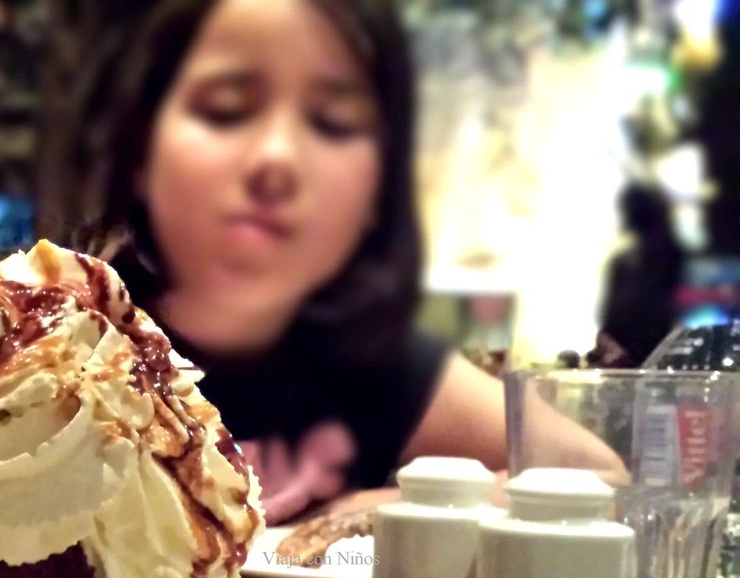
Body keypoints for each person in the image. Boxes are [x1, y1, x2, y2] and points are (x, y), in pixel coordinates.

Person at [36, 0, 509, 524]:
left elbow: (599, 477)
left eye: (334, 123)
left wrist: (383, 506)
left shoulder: (378, 362)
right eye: (226, 109)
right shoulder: (19, 324)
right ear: (139, 153)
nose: (277, 158)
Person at [590, 182, 686, 368]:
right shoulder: (623, 264)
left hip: (666, 371)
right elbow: (609, 324)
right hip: (627, 371)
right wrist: (611, 349)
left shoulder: (679, 263)